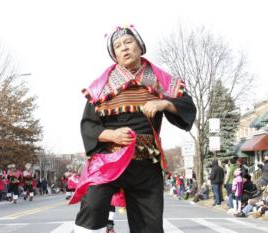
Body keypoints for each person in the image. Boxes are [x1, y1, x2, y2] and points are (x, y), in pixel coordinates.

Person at [71, 25, 196, 233]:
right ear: (115, 56)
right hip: (108, 159)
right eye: (118, 46)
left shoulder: (161, 81)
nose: (125, 48)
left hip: (147, 161)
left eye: (129, 42)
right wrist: (111, 134)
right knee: (92, 208)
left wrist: (163, 103)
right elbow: (88, 125)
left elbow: (188, 107)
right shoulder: (101, 87)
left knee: (150, 227)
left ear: (140, 47)